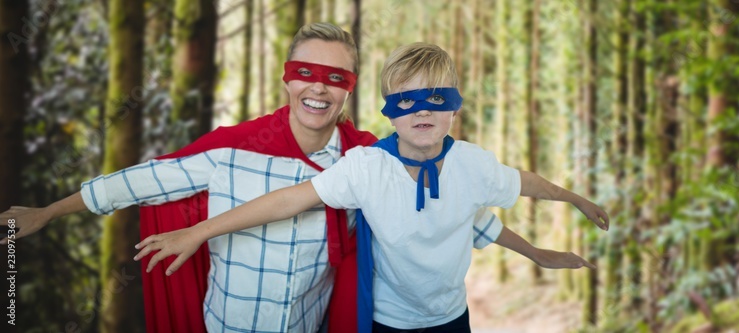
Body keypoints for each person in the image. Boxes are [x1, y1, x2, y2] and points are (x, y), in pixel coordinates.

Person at [0, 24, 590, 333]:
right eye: (305, 71)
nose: (319, 86)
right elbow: (137, 182)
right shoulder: (230, 152)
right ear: (286, 80)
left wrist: (535, 251)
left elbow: (454, 213)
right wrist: (48, 212)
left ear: (351, 88)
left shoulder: (364, 158)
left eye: (335, 76)